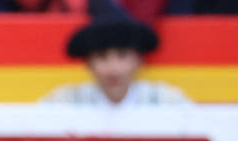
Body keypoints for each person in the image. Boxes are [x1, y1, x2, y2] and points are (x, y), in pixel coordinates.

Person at [40, 13, 192, 108]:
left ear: (139, 61)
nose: (113, 68)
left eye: (123, 55)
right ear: (89, 64)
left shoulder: (168, 103)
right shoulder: (62, 103)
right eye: (101, 57)